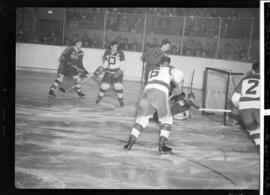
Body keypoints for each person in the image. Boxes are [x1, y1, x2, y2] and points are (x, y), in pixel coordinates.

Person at [124, 56, 184, 154]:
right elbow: (179, 75)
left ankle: (130, 142)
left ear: (160, 63)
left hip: (146, 93)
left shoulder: (152, 71)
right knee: (167, 120)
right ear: (168, 63)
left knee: (141, 120)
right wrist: (179, 88)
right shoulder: (170, 69)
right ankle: (162, 145)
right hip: (160, 93)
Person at [231, 62, 260, 150]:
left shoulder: (245, 79)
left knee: (253, 130)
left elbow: (235, 98)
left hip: (244, 108)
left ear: (253, 71)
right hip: (258, 106)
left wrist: (237, 106)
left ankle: (260, 146)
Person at [94, 41, 126, 107]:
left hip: (118, 72)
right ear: (111, 46)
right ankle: (99, 98)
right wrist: (100, 69)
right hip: (108, 72)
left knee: (118, 86)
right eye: (114, 47)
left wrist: (119, 72)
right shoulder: (107, 52)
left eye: (116, 47)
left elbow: (123, 65)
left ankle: (121, 100)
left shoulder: (120, 53)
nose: (115, 48)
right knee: (104, 86)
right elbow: (106, 63)